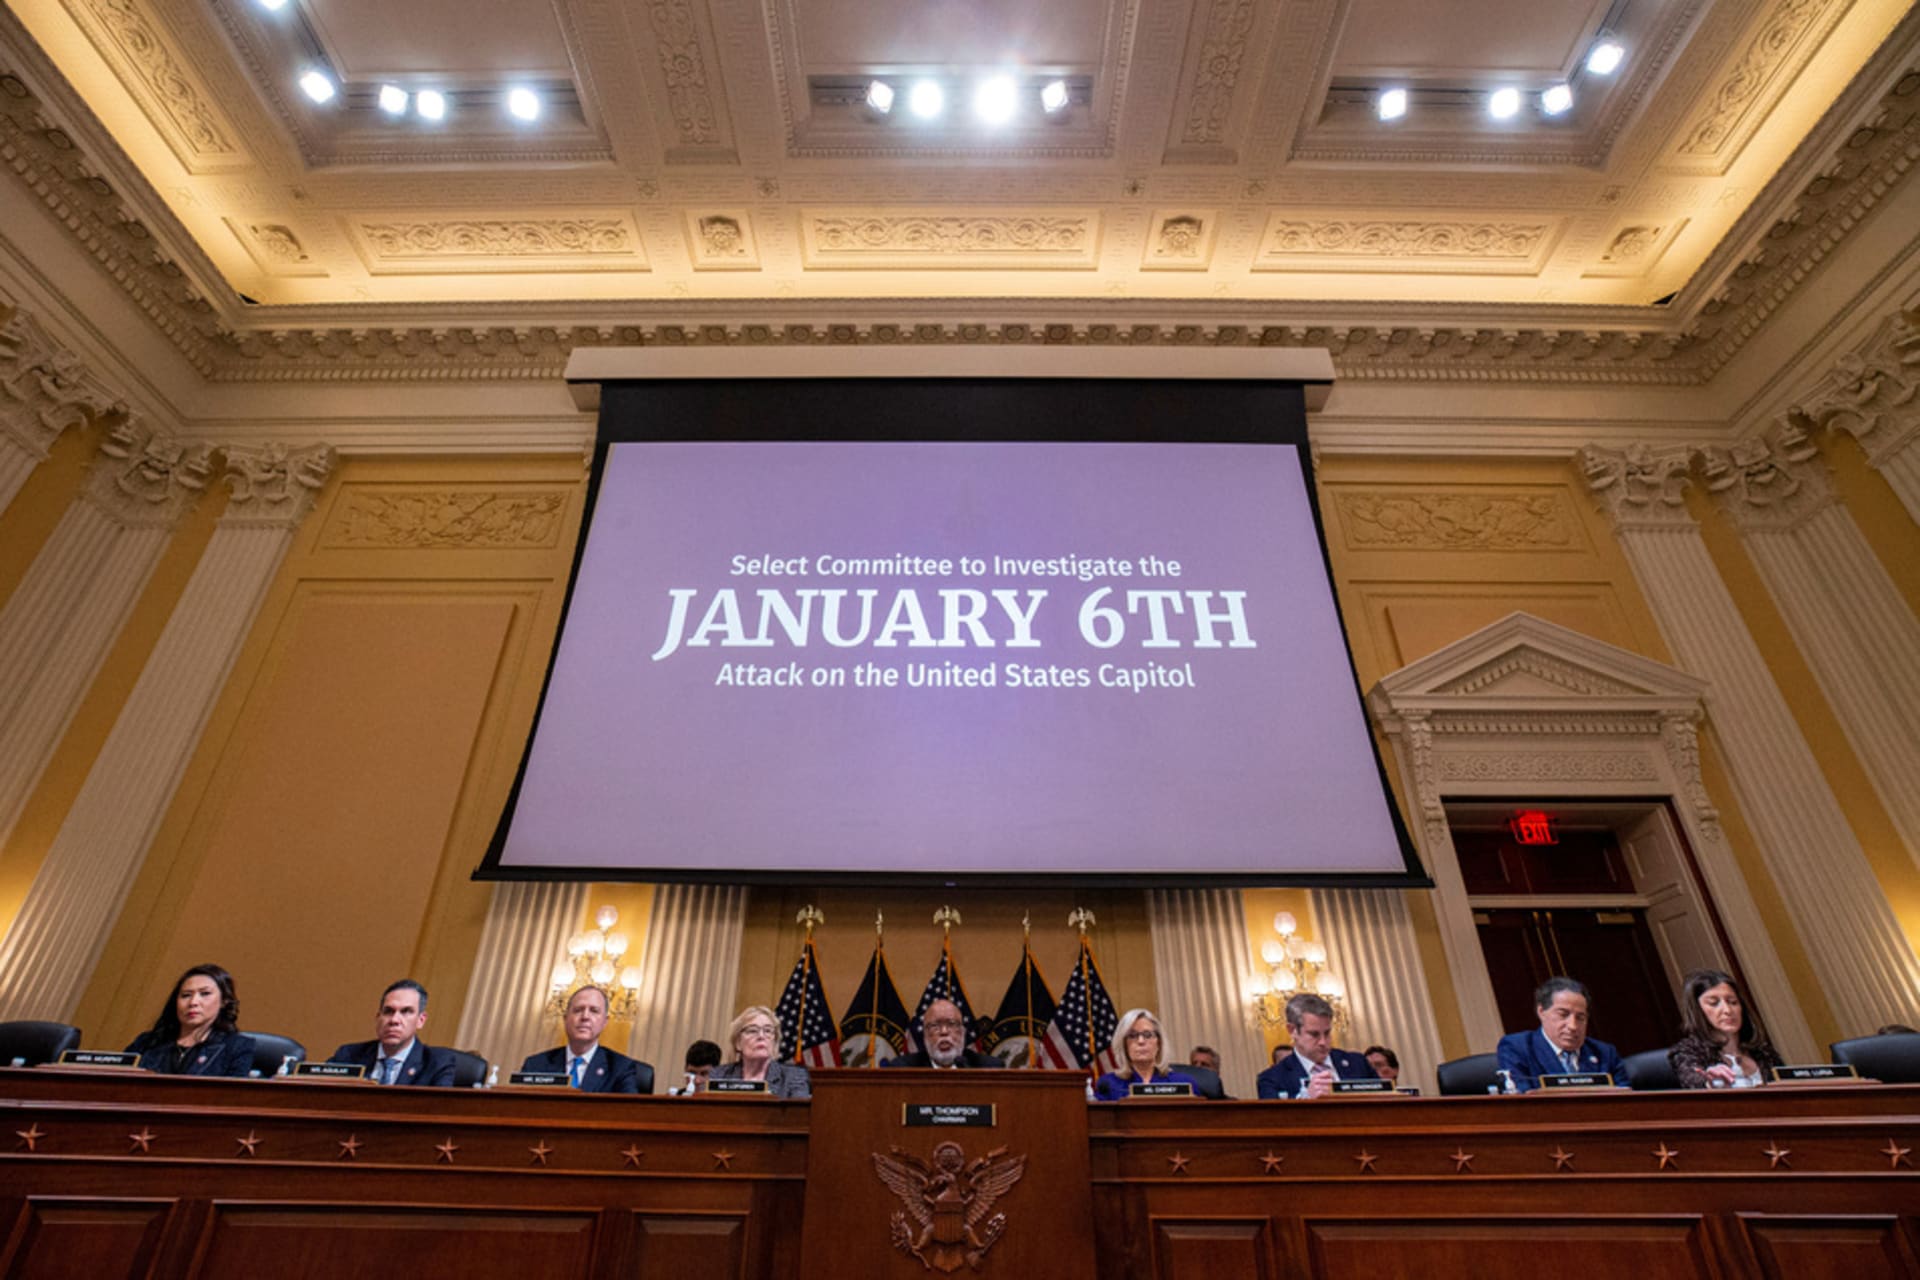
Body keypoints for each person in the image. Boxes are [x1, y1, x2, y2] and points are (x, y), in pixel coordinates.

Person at [1495, 976, 1627, 1092]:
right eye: (1563, 1015)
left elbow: (1626, 1103)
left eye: (1580, 1018)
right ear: (1541, 1012)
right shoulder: (1517, 1048)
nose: (1573, 1026)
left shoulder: (1605, 1053)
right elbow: (1522, 1101)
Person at [125, 963, 255, 1077]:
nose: (193, 1002)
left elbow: (232, 1098)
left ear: (224, 1001)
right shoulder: (146, 1042)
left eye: (205, 994)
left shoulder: (237, 1047)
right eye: (186, 995)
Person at [520, 984, 652, 1093]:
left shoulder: (621, 1068)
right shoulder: (535, 1065)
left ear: (605, 1022)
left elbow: (627, 1114)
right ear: (565, 1019)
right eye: (578, 1010)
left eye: (594, 1011)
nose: (585, 1017)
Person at [328, 979, 457, 1086]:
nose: (394, 1020)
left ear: (420, 1020)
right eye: (388, 1011)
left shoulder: (438, 1063)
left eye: (406, 1011)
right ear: (378, 1017)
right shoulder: (348, 1056)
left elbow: (437, 1111)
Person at [1666, 969, 1780, 1089]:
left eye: (1733, 1002)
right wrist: (1710, 1082)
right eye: (1714, 1003)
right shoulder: (1687, 1053)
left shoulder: (1764, 1052)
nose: (1727, 1010)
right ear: (1697, 1011)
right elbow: (1692, 1079)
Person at [1256, 993, 1376, 1098]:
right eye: (1314, 1034)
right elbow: (1274, 1120)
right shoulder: (1272, 1079)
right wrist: (1305, 1099)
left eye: (1327, 1033)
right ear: (1292, 1030)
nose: (1323, 1042)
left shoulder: (1358, 1063)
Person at [708, 1006, 810, 1098]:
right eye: (752, 1030)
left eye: (768, 1030)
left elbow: (798, 1116)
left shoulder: (793, 1077)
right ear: (738, 1042)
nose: (761, 1036)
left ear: (774, 1042)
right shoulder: (718, 1075)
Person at [1093, 1008, 1196, 1100]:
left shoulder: (1183, 1082)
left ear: (1159, 1043)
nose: (1141, 1041)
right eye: (1132, 1036)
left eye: (1147, 1035)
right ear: (1124, 1044)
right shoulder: (1109, 1084)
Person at [884, 999, 1005, 1068]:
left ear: (963, 1032)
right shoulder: (904, 1069)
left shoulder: (987, 1068)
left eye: (952, 1024)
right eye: (935, 1026)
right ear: (925, 1034)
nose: (944, 1032)